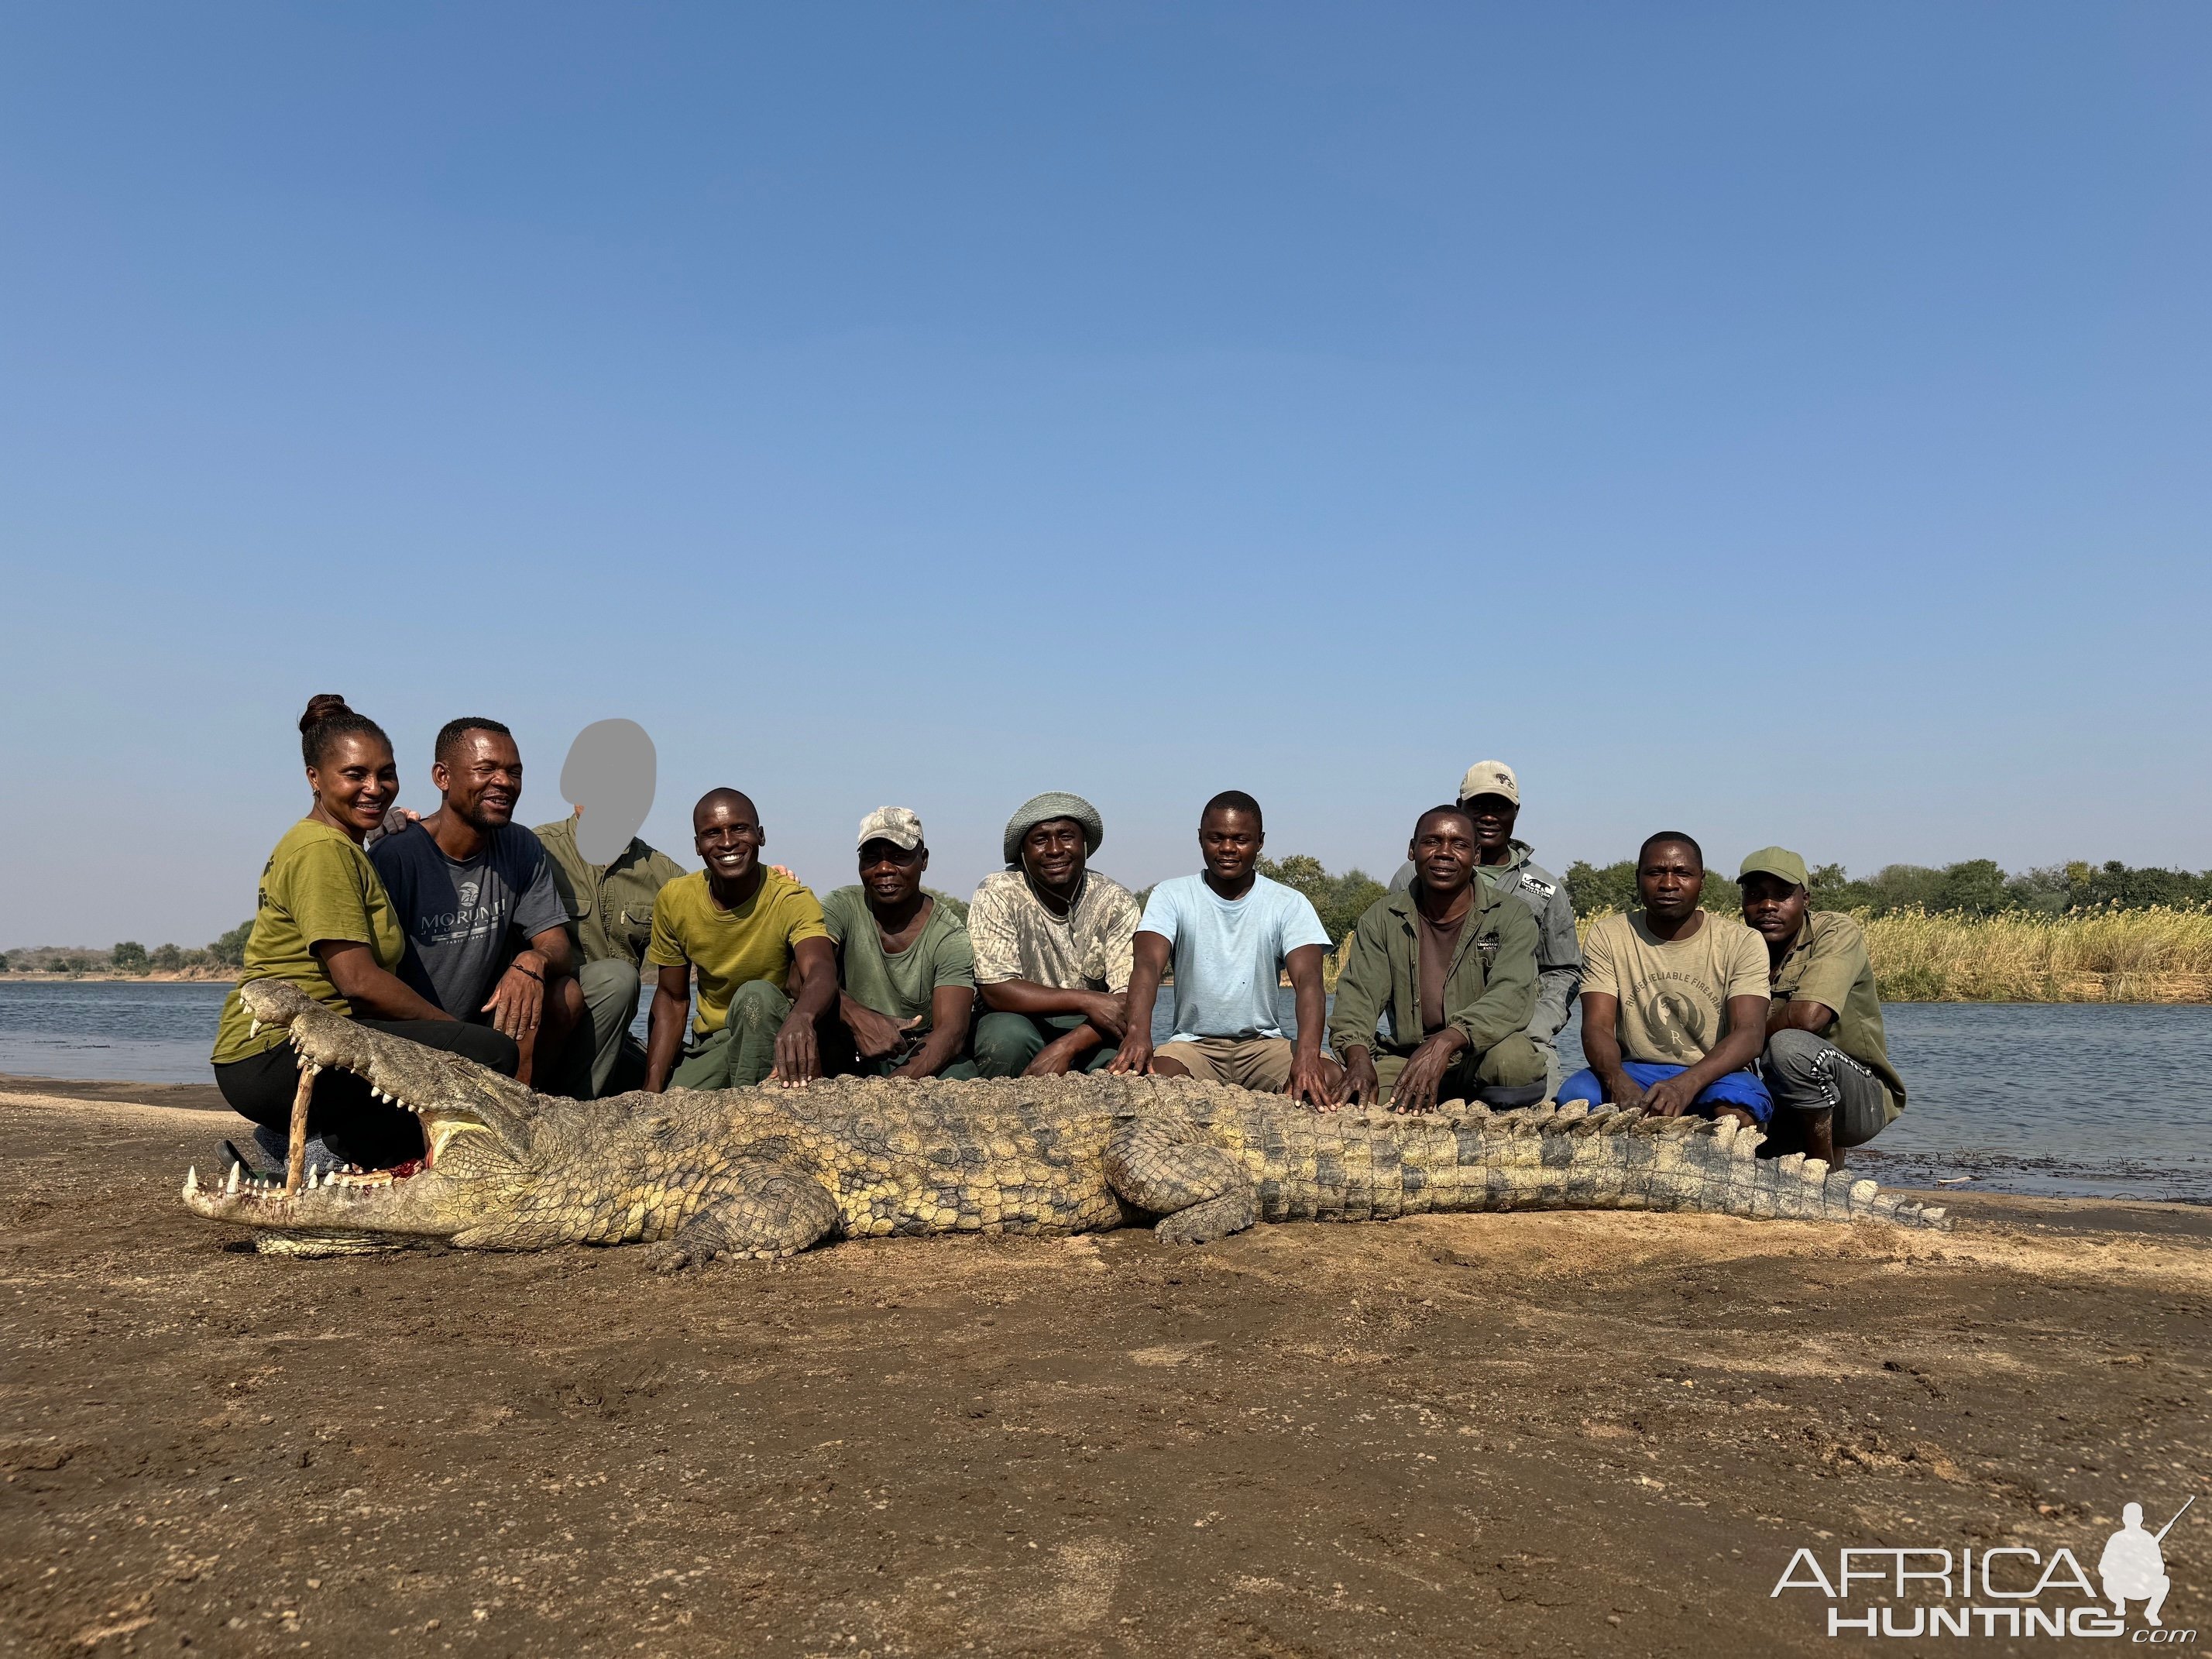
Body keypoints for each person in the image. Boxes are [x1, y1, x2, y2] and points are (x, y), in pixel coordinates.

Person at [209, 696, 519, 1174]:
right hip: (274, 1056)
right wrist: (448, 1035)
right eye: (355, 775)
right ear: (315, 778)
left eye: (386, 774)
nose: (375, 788)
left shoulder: (342, 846)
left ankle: (302, 1142)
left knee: (417, 1127)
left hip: (310, 1046)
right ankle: (314, 1146)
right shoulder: (322, 852)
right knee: (490, 1054)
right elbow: (358, 980)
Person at [369, 717, 580, 1084]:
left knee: (566, 994)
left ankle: (523, 1113)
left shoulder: (520, 846)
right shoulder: (397, 855)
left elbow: (557, 944)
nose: (504, 782)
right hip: (413, 1029)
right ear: (442, 777)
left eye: (514, 772)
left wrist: (533, 959)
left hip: (482, 1021)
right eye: (486, 769)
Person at [1111, 791, 1336, 1105]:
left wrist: (1309, 1055)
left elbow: (1310, 982)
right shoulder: (1171, 895)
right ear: (1200, 838)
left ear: (1260, 841)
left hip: (1264, 1045)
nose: (1228, 848)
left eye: (1240, 839)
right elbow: (1148, 965)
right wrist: (1138, 1033)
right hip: (1193, 1046)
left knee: (1331, 1079)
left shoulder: (1288, 903)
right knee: (1150, 1088)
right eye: (1216, 838)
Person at [1328, 805, 1547, 1112]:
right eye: (1432, 842)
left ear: (1477, 856)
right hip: (1407, 1057)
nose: (1445, 853)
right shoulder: (1381, 918)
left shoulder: (1511, 916)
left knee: (1514, 1062)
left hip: (1477, 1054)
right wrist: (1358, 1056)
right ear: (1412, 850)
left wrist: (1448, 1040)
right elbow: (1357, 999)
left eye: (1459, 844)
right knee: (1359, 1096)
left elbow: (1511, 995)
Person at [1386, 760, 1582, 1095]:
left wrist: (1533, 1027)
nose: (1489, 816)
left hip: (1511, 1039)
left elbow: (1563, 970)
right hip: (1425, 1041)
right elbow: (1390, 957)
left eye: (1500, 807)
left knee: (1537, 1108)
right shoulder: (1412, 875)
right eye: (1479, 805)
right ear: (1461, 807)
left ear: (1516, 812)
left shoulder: (1544, 888)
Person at [1560, 833, 1773, 1124]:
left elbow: (1749, 1034)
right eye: (1656, 872)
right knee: (1576, 1099)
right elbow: (1596, 1026)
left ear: (1702, 880)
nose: (1669, 884)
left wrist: (1686, 1085)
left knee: (1737, 1114)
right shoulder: (1609, 935)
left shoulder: (1742, 941)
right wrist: (1617, 1080)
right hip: (1635, 1069)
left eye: (1682, 873)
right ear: (1638, 878)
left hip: (1715, 1073)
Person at [534, 720, 687, 1098]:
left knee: (677, 1089)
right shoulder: (533, 848)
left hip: (606, 1039)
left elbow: (717, 897)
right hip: (541, 1027)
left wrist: (769, 877)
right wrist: (408, 824)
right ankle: (570, 1113)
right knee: (617, 977)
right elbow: (461, 850)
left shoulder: (661, 871)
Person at [643, 788, 835, 1090]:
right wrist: (651, 1088)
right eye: (712, 833)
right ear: (697, 846)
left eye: (739, 829)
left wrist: (803, 1017)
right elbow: (672, 998)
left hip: (779, 1032)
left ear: (760, 835)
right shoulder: (674, 898)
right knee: (667, 1111)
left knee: (754, 997)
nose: (728, 842)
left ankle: (753, 1115)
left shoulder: (792, 897)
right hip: (715, 1040)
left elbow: (821, 970)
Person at [1738, 847, 1907, 1163]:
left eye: (1783, 894)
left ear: (1806, 899)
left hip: (1859, 1094)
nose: (1768, 906)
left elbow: (1807, 1018)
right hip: (1783, 1090)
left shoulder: (1835, 931)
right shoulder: (1739, 946)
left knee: (1789, 1046)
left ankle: (1824, 1170)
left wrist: (1739, 1040)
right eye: (1756, 895)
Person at [967, 792, 1142, 1077]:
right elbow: (995, 989)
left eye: (1066, 836)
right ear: (1023, 852)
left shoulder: (1115, 900)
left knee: (1123, 1062)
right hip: (1018, 1016)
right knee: (1006, 1041)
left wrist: (1066, 1047)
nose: (1055, 850)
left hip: (1091, 1024)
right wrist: (1088, 1000)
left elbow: (1127, 999)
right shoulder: (999, 890)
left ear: (1084, 845)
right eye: (1040, 840)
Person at [819, 807, 979, 1079]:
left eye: (898, 857)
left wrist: (891, 1093)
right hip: (845, 1042)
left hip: (909, 1053)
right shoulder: (841, 905)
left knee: (961, 1073)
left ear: (923, 859)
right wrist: (858, 1017)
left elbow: (952, 1031)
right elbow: (802, 975)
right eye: (872, 858)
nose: (883, 869)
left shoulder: (949, 936)